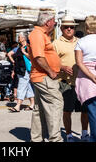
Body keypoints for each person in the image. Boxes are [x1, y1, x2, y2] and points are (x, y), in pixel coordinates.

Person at [53, 15, 89, 142]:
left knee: (85, 110)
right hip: (65, 82)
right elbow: (51, 63)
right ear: (61, 28)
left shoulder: (81, 41)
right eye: (66, 27)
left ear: (74, 29)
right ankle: (68, 135)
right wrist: (62, 67)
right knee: (67, 110)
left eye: (71, 27)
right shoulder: (56, 43)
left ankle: (85, 133)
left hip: (81, 81)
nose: (69, 29)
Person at [28, 12, 63, 142]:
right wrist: (51, 71)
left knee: (40, 108)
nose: (54, 24)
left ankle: (36, 138)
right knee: (56, 103)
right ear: (47, 22)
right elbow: (39, 57)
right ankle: (55, 139)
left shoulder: (40, 34)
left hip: (41, 76)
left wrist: (60, 66)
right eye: (54, 21)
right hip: (44, 76)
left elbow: (45, 56)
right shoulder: (37, 34)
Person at [7, 32, 35, 113]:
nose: (18, 39)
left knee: (21, 87)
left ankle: (18, 105)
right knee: (29, 87)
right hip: (20, 70)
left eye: (19, 37)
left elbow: (32, 57)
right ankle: (32, 104)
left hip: (25, 70)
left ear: (24, 38)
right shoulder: (20, 47)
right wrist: (14, 70)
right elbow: (16, 59)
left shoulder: (28, 47)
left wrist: (24, 52)